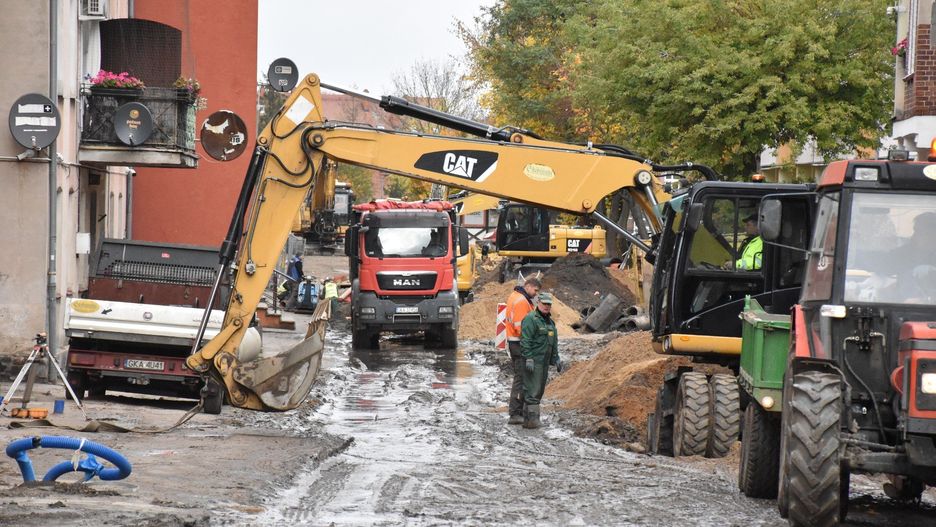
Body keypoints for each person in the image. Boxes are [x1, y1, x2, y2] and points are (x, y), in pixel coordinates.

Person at [521, 291, 562, 429]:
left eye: (549, 304)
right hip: (534, 360)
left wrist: (556, 358)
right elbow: (526, 340)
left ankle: (528, 419)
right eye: (544, 304)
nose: (546, 306)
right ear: (538, 303)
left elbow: (553, 342)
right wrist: (529, 358)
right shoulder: (531, 319)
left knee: (539, 390)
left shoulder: (550, 322)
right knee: (532, 389)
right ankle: (532, 420)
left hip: (544, 362)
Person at [504, 277, 541, 424]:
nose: (536, 294)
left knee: (521, 377)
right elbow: (522, 327)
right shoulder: (521, 301)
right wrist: (531, 343)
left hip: (515, 342)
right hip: (519, 343)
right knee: (521, 378)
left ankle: (518, 411)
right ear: (528, 286)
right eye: (535, 290)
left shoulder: (516, 296)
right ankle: (515, 413)